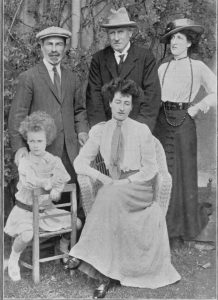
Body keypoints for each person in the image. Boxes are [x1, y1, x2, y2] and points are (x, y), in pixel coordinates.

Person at [65, 78, 181, 298]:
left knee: (108, 194)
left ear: (132, 105)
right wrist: (101, 176)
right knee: (108, 195)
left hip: (138, 187)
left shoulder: (141, 131)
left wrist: (124, 182)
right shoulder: (100, 131)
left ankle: (79, 253)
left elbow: (151, 169)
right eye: (118, 102)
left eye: (127, 103)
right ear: (110, 103)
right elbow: (80, 163)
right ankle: (105, 277)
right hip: (113, 188)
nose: (121, 108)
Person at [153, 19, 216, 248]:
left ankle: (185, 229)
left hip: (184, 122)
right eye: (172, 38)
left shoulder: (197, 67)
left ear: (189, 42)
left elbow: (214, 91)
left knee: (184, 172)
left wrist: (197, 108)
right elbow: (154, 97)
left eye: (180, 38)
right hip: (162, 121)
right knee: (164, 172)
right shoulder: (163, 67)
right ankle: (164, 228)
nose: (174, 42)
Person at [4, 111, 82, 282]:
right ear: (27, 140)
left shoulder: (53, 160)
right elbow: (30, 182)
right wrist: (48, 183)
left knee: (76, 223)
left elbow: (63, 176)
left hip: (46, 210)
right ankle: (13, 258)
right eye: (31, 141)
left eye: (40, 141)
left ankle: (62, 245)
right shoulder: (25, 162)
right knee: (26, 235)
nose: (36, 145)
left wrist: (58, 187)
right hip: (26, 210)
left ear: (47, 141)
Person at [8, 26, 89, 184]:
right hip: (41, 155)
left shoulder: (73, 78)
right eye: (49, 44)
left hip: (70, 155)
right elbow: (17, 116)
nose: (54, 49)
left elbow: (79, 111)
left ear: (65, 47)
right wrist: (20, 148)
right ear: (41, 47)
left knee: (69, 200)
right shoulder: (29, 78)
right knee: (44, 204)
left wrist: (82, 131)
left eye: (58, 44)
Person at [86, 7, 161, 132]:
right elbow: (94, 96)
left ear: (130, 33)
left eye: (120, 32)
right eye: (112, 33)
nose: (116, 38)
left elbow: (152, 95)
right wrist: (100, 128)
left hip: (137, 128)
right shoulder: (99, 59)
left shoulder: (145, 57)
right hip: (107, 128)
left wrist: (140, 129)